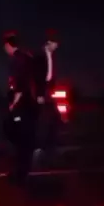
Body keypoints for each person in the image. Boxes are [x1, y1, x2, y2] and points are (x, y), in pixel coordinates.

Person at [3, 33, 38, 183]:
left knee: (21, 138)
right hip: (29, 104)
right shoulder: (26, 57)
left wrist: (14, 103)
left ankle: (21, 173)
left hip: (23, 105)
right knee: (24, 138)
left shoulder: (19, 60)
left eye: (5, 46)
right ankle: (22, 170)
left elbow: (20, 85)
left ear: (9, 45)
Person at [34, 32, 61, 160]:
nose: (57, 46)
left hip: (48, 91)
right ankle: (39, 146)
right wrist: (39, 94)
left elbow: (51, 74)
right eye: (55, 44)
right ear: (49, 43)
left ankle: (50, 146)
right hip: (41, 92)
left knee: (54, 117)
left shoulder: (52, 56)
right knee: (41, 120)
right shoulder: (40, 56)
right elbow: (38, 76)